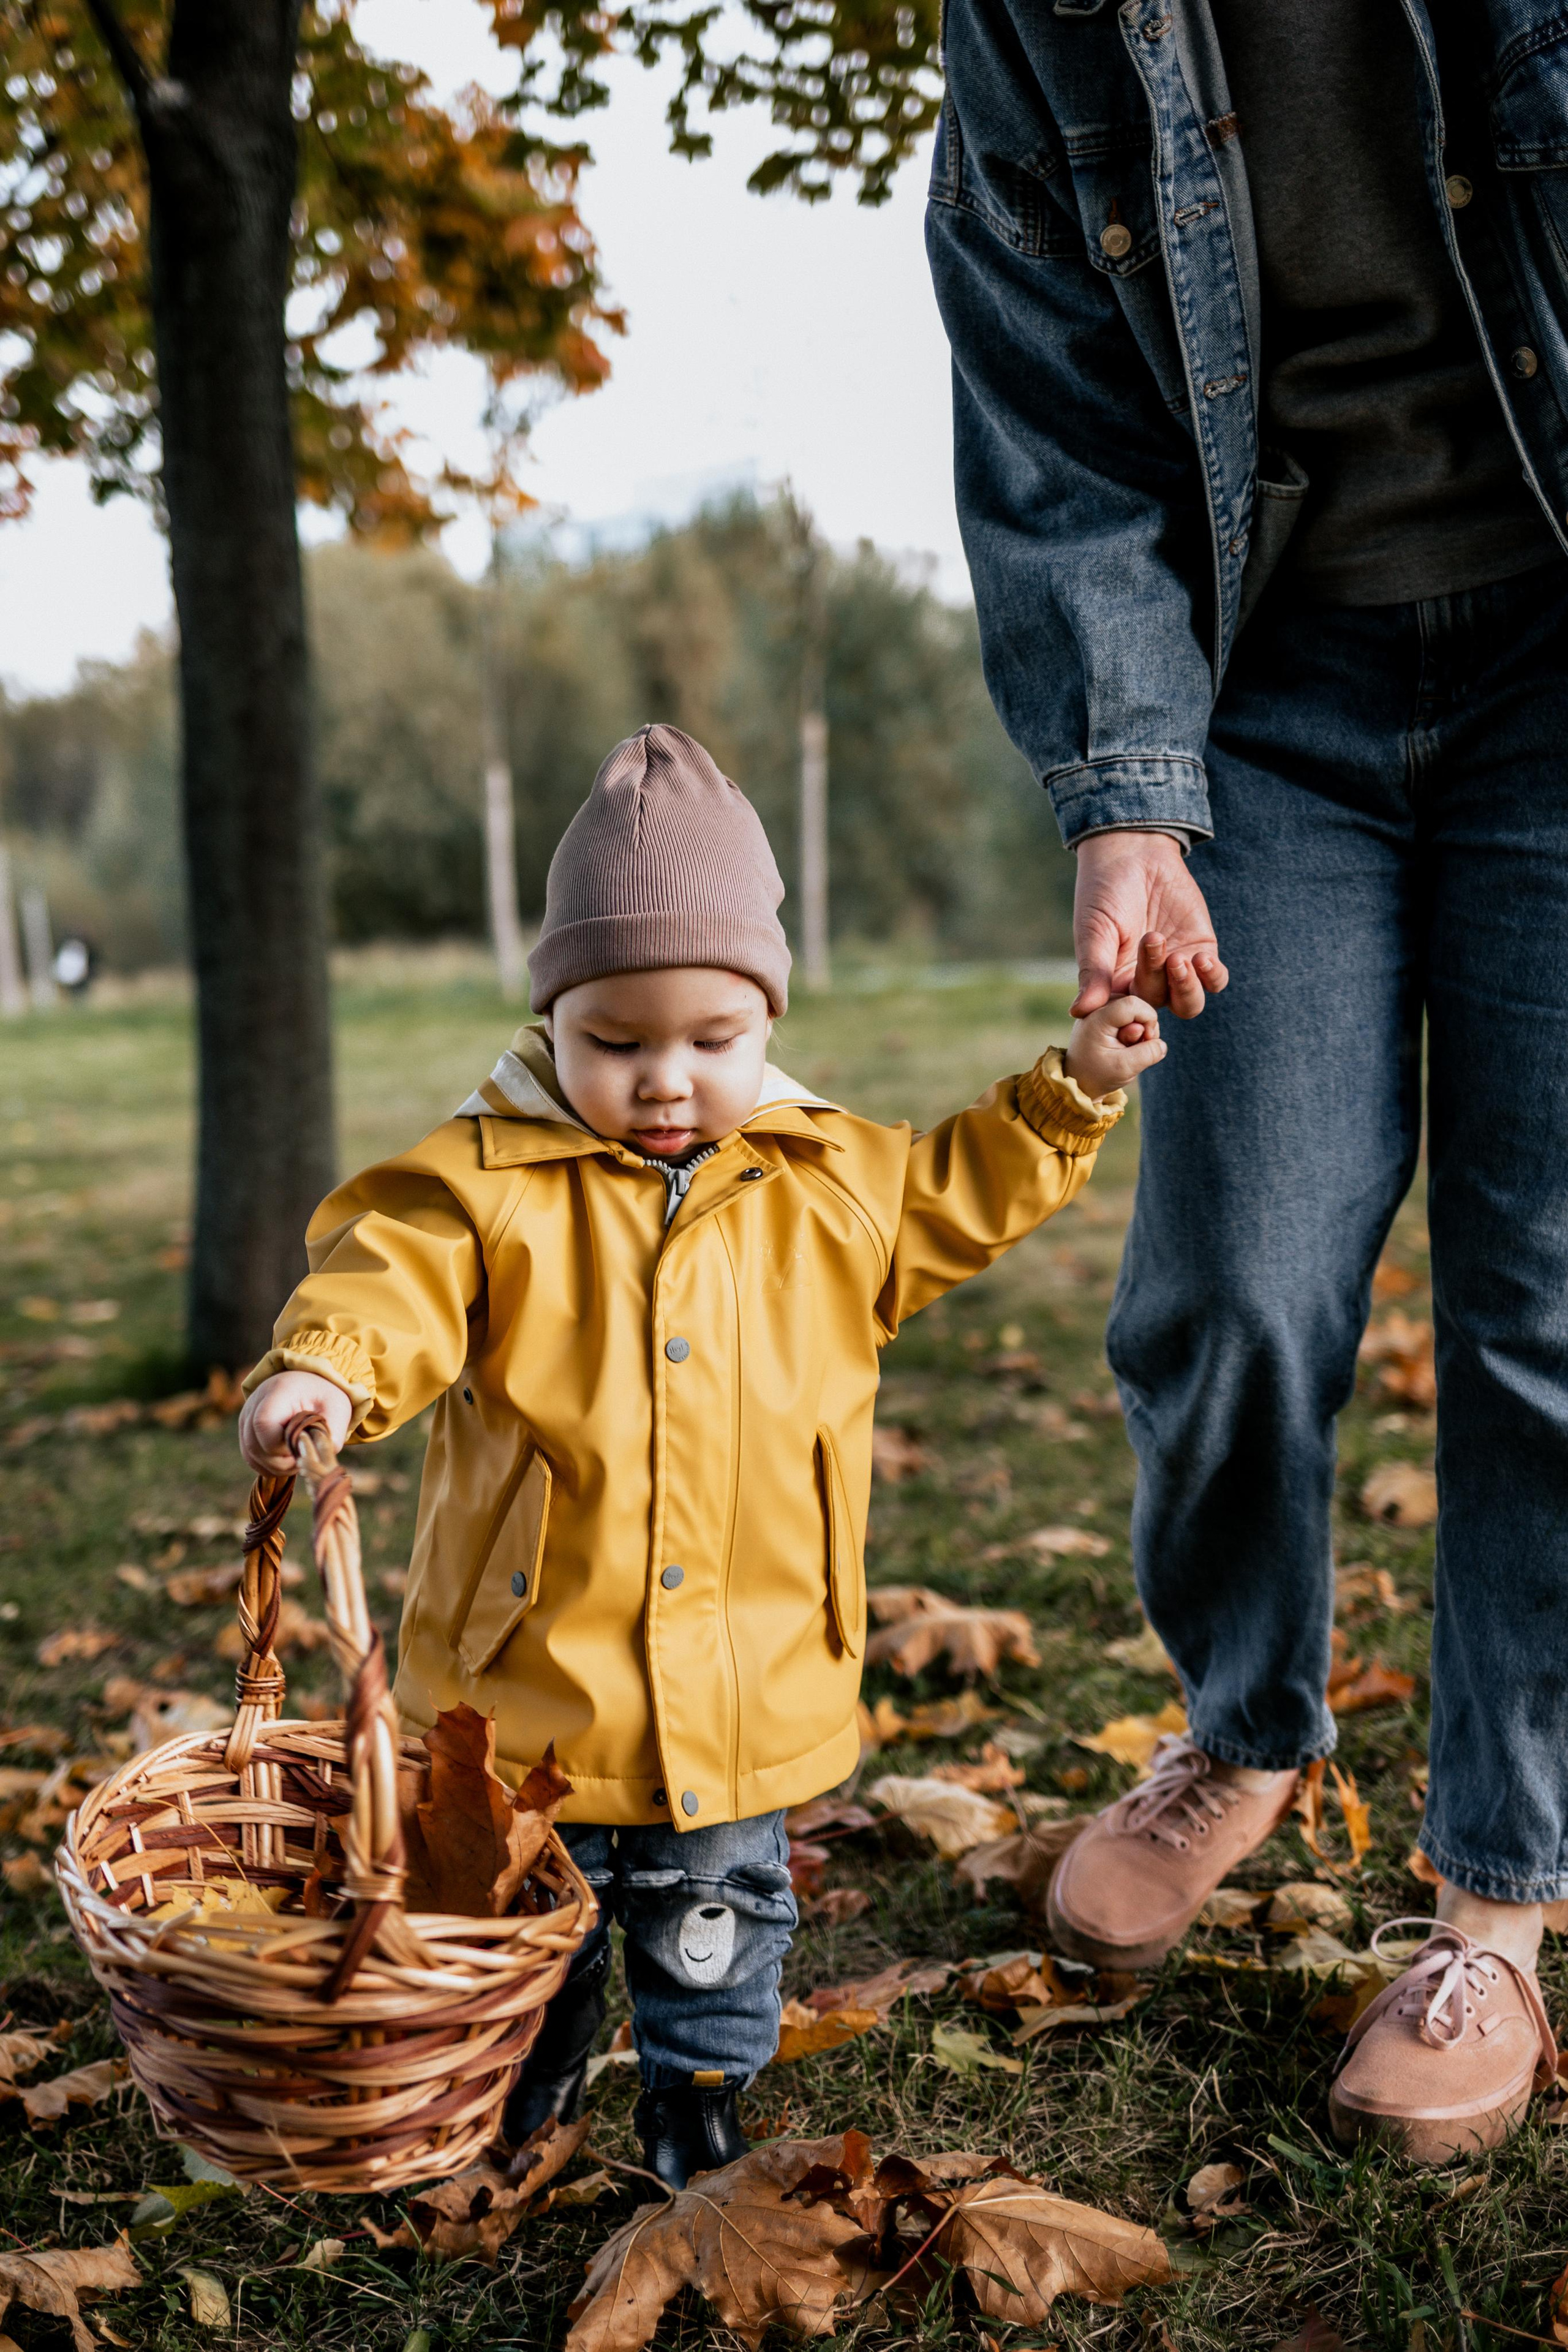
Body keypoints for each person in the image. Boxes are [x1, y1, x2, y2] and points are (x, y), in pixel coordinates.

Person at [925, 0, 1568, 2161]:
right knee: (1233, 1275)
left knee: (1549, 1307)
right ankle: (1245, 1721)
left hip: (1558, 649)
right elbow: (1049, 409)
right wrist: (1126, 791)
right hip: (1268, 669)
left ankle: (1498, 1896)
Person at [237, 722, 1163, 2188]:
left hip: (743, 1671)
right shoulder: (481, 1186)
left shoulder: (831, 1183)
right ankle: (518, 2068)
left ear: (766, 1023)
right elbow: (387, 1278)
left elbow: (960, 1190)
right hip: (524, 1677)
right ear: (552, 1023)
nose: (665, 1079)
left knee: (711, 1914)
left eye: (710, 1042)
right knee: (518, 1912)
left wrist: (1072, 1087)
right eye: (615, 1042)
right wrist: (325, 1370)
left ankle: (696, 2094)